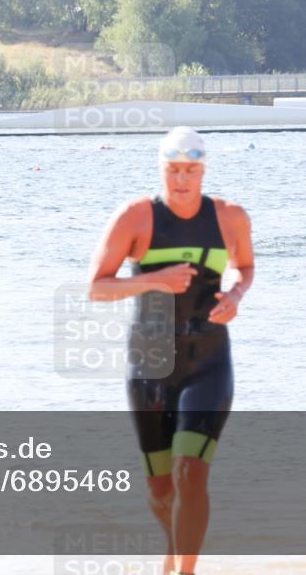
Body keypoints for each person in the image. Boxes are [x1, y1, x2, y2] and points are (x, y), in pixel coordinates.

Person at [87, 127, 255, 575]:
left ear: (203, 171)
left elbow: (247, 267)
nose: (181, 179)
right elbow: (96, 288)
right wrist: (154, 280)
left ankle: (185, 571)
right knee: (161, 490)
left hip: (209, 360)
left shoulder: (230, 217)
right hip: (150, 364)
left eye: (191, 170)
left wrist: (236, 297)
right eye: (173, 170)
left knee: (189, 472)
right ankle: (173, 555)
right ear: (161, 170)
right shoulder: (135, 218)